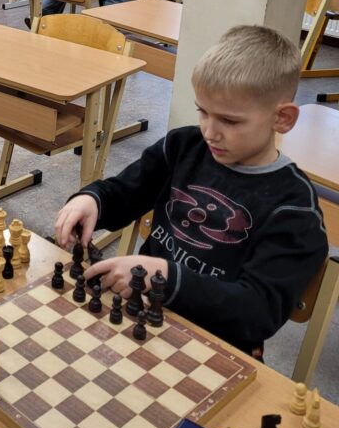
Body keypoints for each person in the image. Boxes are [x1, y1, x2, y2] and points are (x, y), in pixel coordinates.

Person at [55, 25, 327, 357]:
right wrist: (93, 200)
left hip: (216, 350)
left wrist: (167, 276)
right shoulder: (183, 146)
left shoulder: (294, 208)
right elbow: (124, 192)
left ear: (282, 118)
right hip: (141, 317)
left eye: (229, 121)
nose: (210, 131)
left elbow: (257, 313)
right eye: (203, 111)